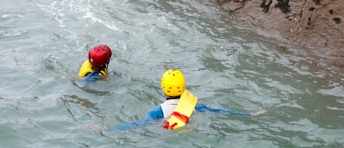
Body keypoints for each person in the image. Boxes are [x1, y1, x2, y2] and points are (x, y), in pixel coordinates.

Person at [113, 69, 266, 130]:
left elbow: (136, 125)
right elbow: (219, 111)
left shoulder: (156, 112)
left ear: (163, 88)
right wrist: (249, 114)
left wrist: (107, 128)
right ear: (184, 86)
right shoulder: (194, 106)